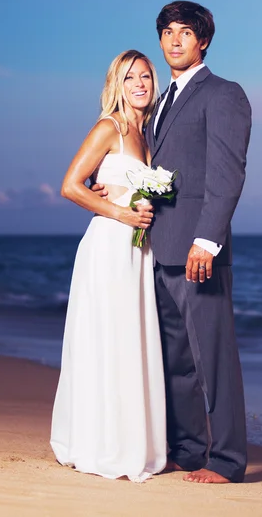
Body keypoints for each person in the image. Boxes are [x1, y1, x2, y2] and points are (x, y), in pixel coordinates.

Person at [95, 1, 252, 483]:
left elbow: (227, 174)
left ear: (203, 40)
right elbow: (160, 174)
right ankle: (188, 449)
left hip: (197, 252)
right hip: (158, 249)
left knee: (214, 358)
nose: (175, 40)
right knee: (177, 361)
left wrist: (208, 240)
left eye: (186, 32)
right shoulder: (160, 103)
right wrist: (118, 188)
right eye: (167, 32)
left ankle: (227, 461)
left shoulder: (224, 94)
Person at [50, 50, 166, 482]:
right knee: (109, 339)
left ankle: (133, 442)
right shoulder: (110, 127)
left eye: (146, 76)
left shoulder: (148, 134)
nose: (140, 84)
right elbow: (69, 186)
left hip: (138, 249)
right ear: (116, 83)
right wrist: (120, 212)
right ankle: (100, 444)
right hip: (110, 246)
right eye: (130, 77)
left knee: (132, 339)